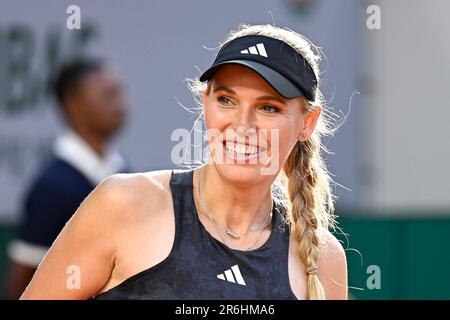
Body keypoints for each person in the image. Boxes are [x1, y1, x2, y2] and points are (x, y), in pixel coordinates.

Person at [21, 24, 347, 300]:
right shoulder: (123, 203)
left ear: (308, 123)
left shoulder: (323, 259)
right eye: (226, 100)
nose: (243, 125)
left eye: (269, 107)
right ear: (206, 104)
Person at [7, 58, 130, 299]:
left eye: (119, 94)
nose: (120, 106)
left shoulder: (123, 171)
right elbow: (24, 278)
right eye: (107, 96)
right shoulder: (52, 187)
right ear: (73, 105)